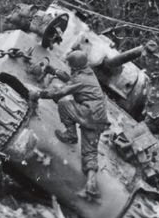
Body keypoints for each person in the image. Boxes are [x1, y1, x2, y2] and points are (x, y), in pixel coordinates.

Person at [31, 47, 109, 200]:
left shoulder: (80, 79)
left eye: (71, 65)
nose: (70, 67)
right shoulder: (87, 72)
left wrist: (39, 94)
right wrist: (54, 71)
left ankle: (71, 134)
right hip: (99, 118)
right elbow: (71, 79)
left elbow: (61, 92)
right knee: (90, 152)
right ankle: (91, 187)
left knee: (64, 103)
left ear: (75, 65)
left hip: (89, 113)